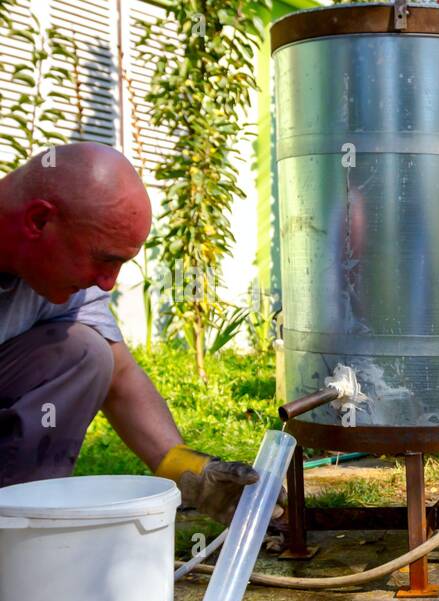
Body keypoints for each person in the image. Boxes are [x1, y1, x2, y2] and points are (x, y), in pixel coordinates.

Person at [0, 142, 272, 524]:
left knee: (87, 354)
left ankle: (19, 524)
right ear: (39, 221)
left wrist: (189, 472)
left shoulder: (66, 273)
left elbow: (120, 376)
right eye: (104, 259)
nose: (108, 284)